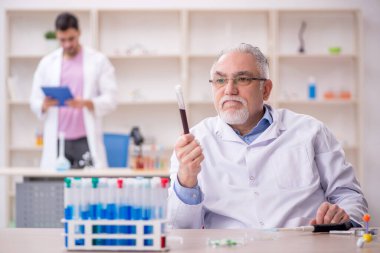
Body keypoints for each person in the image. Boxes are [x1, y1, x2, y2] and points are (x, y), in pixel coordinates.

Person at [167, 43, 368, 229]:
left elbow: (348, 195)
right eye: (220, 80)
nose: (229, 89)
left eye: (243, 79)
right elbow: (181, 229)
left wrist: (344, 219)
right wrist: (186, 179)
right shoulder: (192, 143)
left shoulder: (310, 131)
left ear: (266, 89)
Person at [30, 12, 117, 169]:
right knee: (56, 189)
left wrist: (87, 103)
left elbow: (111, 98)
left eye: (71, 39)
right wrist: (44, 104)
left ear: (79, 32)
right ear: (57, 35)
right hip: (57, 140)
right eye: (62, 40)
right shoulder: (47, 63)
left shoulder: (98, 60)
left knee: (88, 189)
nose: (67, 44)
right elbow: (34, 100)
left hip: (85, 139)